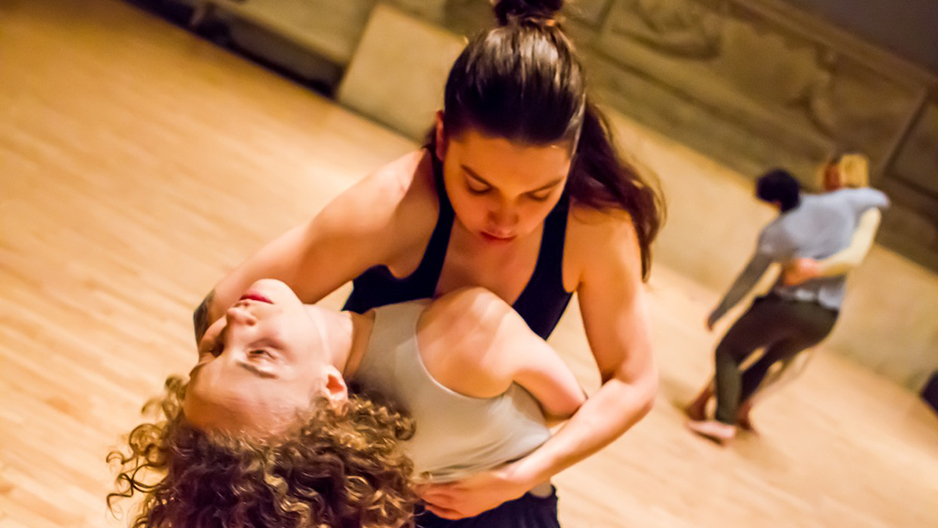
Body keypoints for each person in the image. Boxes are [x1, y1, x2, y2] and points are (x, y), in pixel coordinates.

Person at [191, 0, 664, 524]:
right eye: (479, 185)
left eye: (539, 194)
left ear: (570, 161)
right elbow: (222, 309)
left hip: (492, 501)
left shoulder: (595, 226)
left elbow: (633, 381)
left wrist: (516, 477)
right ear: (442, 138)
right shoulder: (400, 204)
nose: (506, 217)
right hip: (356, 496)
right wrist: (285, 458)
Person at [109, 280, 585, 528]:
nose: (234, 317)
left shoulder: (318, 460)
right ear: (334, 390)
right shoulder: (468, 331)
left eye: (215, 351)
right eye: (257, 354)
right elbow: (567, 403)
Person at [685, 168, 888, 444]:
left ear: (775, 203)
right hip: (825, 318)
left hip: (786, 306)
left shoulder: (777, 231)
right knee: (768, 361)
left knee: (729, 351)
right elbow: (875, 198)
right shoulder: (837, 203)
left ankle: (723, 420)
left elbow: (750, 277)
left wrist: (720, 310)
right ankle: (731, 410)